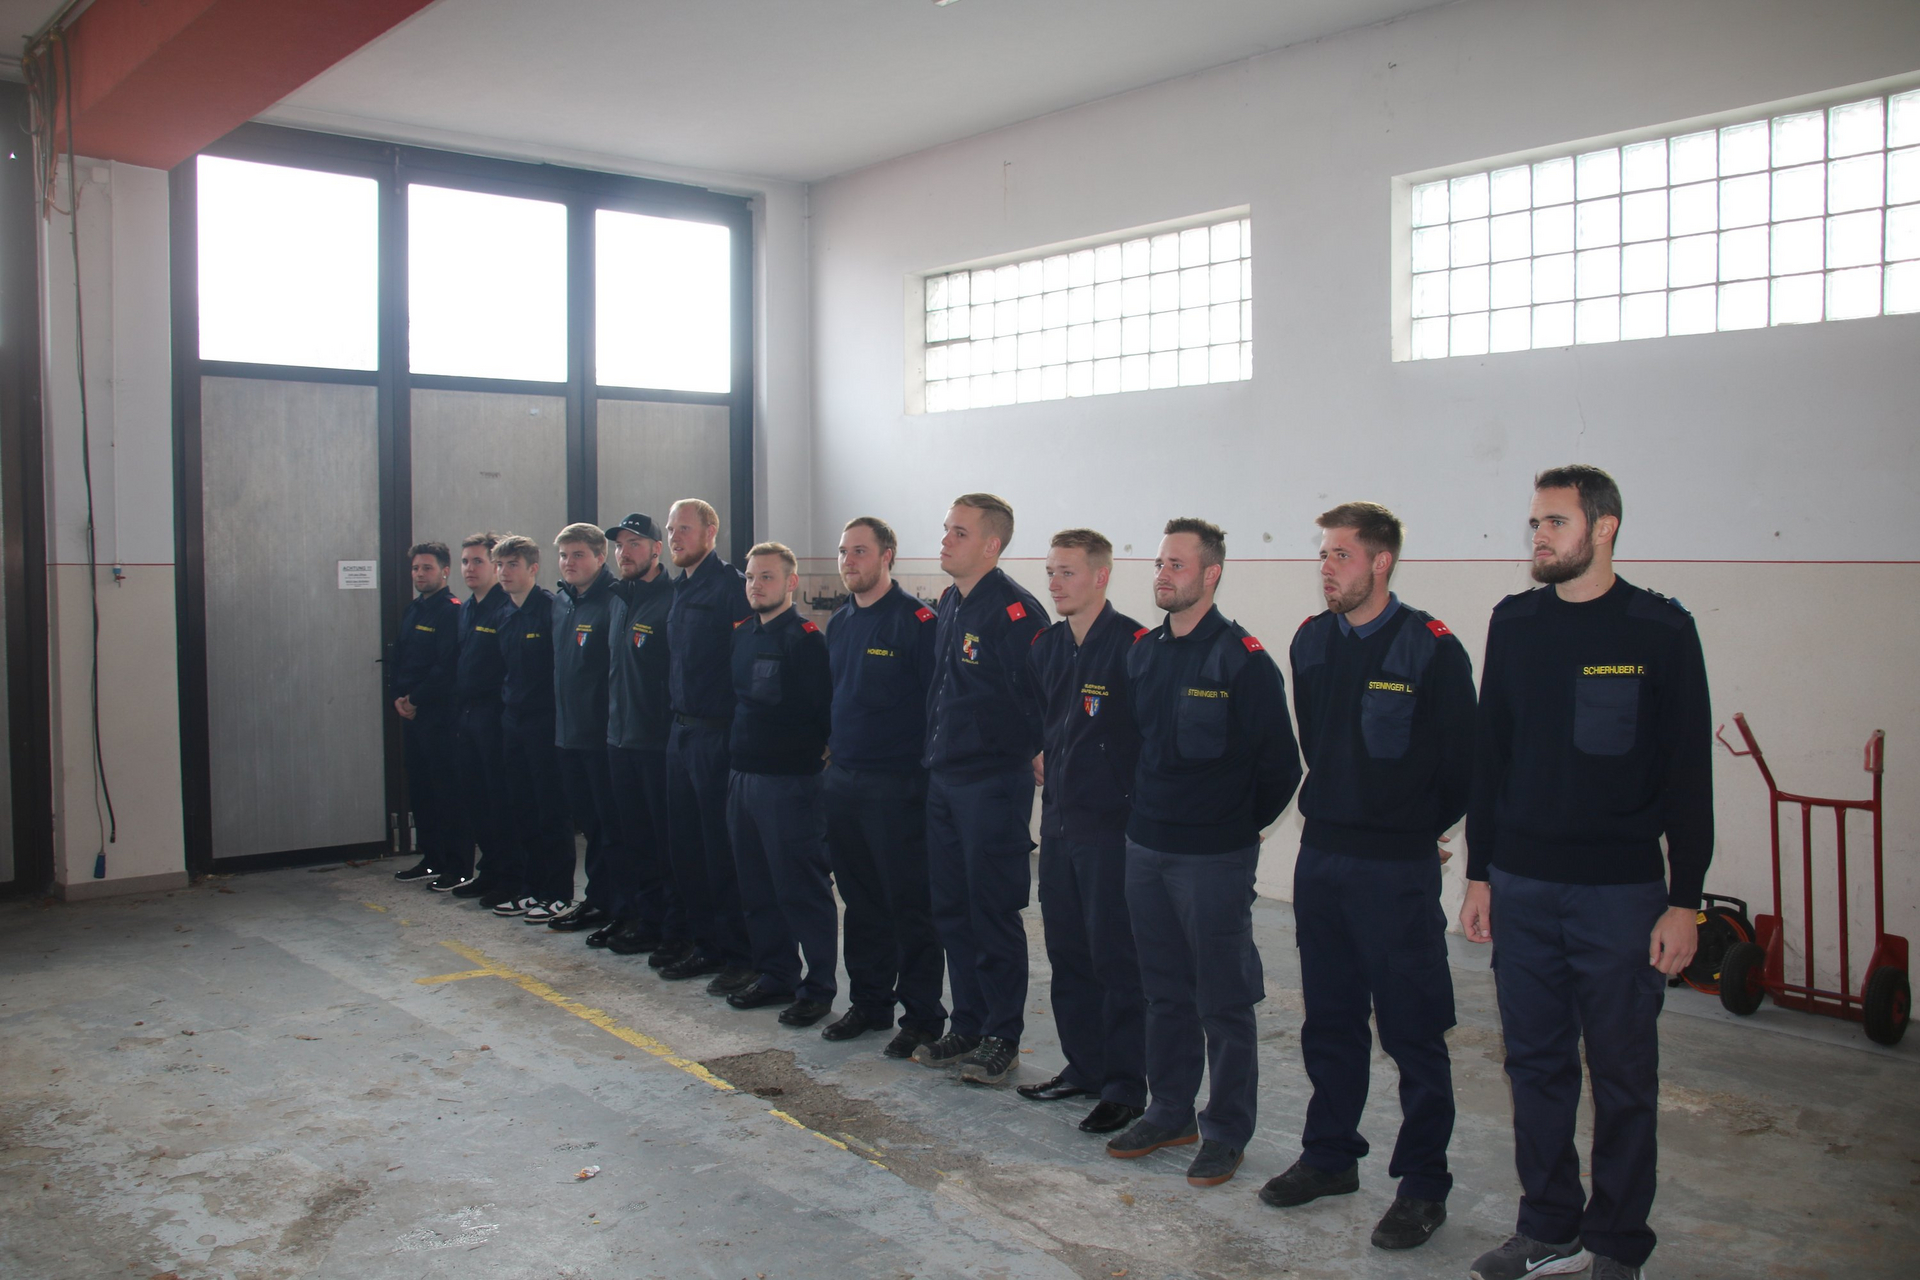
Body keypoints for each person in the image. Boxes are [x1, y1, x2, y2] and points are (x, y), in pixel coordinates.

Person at [1462, 465, 1711, 1280]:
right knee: (1534, 1065)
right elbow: (1491, 755)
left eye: (1556, 523)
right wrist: (1480, 873)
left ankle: (1618, 1243)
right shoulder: (1514, 623)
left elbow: (1688, 774)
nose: (1539, 536)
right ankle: (1549, 1226)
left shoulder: (1660, 629)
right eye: (1535, 522)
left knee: (1623, 1074)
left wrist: (1685, 900)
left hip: (1621, 896)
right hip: (1524, 885)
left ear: (1604, 529)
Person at [1261, 502, 1475, 1252]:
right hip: (1323, 859)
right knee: (1330, 1020)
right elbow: (1318, 741)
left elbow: (1463, 766)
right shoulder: (1311, 641)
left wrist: (1415, 829)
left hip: (1395, 871)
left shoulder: (1431, 648)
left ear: (1381, 562)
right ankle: (1330, 1157)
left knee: (1414, 1029)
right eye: (1323, 554)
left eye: (1341, 555)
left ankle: (1423, 1185)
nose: (1326, 568)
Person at [1106, 517, 1300, 1189]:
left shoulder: (1243, 660)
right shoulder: (1143, 652)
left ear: (1211, 574)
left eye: (1177, 565)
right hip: (1146, 849)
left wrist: (1231, 831)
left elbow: (1281, 767)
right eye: (1160, 564)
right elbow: (1133, 746)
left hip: (1213, 859)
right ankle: (1169, 1112)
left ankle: (1225, 1130)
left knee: (1223, 1000)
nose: (1163, 575)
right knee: (1163, 992)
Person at [914, 492, 1049, 1086]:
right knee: (952, 909)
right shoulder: (950, 601)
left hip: (991, 784)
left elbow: (1042, 695)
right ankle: (967, 1023)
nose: (945, 540)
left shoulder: (1016, 614)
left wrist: (1033, 750)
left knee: (992, 910)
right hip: (945, 778)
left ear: (992, 546)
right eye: (946, 529)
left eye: (960, 533)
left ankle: (1002, 1036)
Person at [1018, 528, 1149, 1135]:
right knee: (1068, 954)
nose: (1054, 583)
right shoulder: (1046, 646)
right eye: (1050, 571)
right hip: (1060, 827)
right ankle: (1084, 1066)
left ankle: (1124, 1086)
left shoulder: (1134, 647)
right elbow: (1032, 714)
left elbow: (1150, 740)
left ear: (1101, 576)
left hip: (1111, 833)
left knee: (1115, 960)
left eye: (1066, 572)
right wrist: (1035, 750)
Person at [821, 516, 944, 1057]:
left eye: (860, 551)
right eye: (843, 551)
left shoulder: (917, 623)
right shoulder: (840, 622)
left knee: (909, 905)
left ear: (887, 555)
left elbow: (936, 707)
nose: (848, 561)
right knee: (861, 901)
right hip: (844, 781)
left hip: (898, 787)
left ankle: (922, 1015)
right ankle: (870, 1003)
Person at [723, 541, 838, 1027]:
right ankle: (776, 974)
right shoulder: (742, 635)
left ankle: (819, 988)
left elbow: (824, 715)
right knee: (756, 887)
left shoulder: (806, 640)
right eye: (751, 577)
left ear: (791, 583)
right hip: (743, 778)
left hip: (789, 785)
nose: (756, 585)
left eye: (766, 577)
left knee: (801, 890)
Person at [659, 498, 756, 992]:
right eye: (670, 529)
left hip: (717, 735)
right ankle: (705, 944)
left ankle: (741, 954)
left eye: (684, 528)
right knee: (687, 848)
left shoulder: (730, 588)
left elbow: (745, 666)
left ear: (711, 531)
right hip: (681, 733)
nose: (674, 537)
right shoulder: (680, 587)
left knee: (723, 851)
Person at [603, 513, 681, 957]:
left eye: (635, 543)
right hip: (620, 741)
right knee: (633, 841)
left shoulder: (670, 601)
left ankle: (673, 930)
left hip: (656, 744)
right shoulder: (620, 600)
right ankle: (644, 920)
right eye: (619, 545)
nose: (625, 552)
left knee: (665, 845)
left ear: (656, 549)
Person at [544, 522, 624, 940]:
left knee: (610, 828)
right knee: (590, 826)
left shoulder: (613, 600)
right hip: (567, 734)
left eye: (578, 555)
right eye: (563, 555)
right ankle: (598, 898)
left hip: (600, 737)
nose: (569, 563)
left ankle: (614, 904)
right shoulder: (562, 602)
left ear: (599, 556)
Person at [490, 536, 574, 918]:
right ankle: (531, 889)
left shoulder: (551, 610)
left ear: (533, 568)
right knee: (521, 807)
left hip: (544, 723)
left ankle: (558, 893)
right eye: (500, 565)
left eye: (512, 565)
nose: (503, 572)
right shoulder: (504, 614)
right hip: (513, 722)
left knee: (550, 809)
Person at [444, 532, 515, 904]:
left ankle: (509, 876)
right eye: (465, 561)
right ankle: (489, 871)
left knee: (499, 799)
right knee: (475, 797)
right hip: (468, 714)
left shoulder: (505, 607)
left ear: (495, 566)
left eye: (478, 561)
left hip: (494, 715)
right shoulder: (468, 608)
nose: (469, 568)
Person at [390, 542, 460, 886]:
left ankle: (455, 865)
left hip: (438, 716)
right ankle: (431, 859)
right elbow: (402, 659)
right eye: (416, 568)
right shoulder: (413, 610)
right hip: (412, 714)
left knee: (445, 791)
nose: (419, 574)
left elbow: (445, 667)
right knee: (420, 790)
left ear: (445, 571)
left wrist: (415, 699)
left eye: (427, 568)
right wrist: (398, 698)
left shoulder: (450, 611)